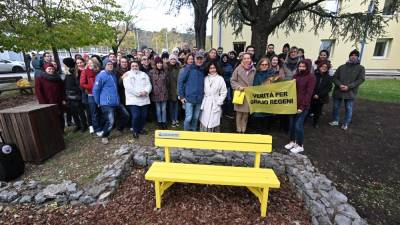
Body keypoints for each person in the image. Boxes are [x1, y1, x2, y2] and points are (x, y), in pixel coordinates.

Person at [284, 59, 316, 154]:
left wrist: (302, 107)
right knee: (292, 124)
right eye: (300, 66)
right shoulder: (295, 76)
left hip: (303, 106)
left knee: (298, 125)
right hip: (293, 104)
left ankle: (300, 145)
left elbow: (309, 93)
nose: (301, 68)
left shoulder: (311, 77)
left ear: (308, 67)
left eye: (304, 66)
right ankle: (292, 141)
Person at [329, 49, 365, 130]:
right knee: (336, 106)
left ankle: (345, 123)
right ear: (349, 56)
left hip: (350, 92)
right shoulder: (342, 67)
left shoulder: (361, 68)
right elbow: (335, 78)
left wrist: (349, 86)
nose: (353, 56)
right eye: (352, 55)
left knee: (348, 108)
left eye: (355, 55)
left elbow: (360, 79)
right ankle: (335, 120)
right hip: (338, 90)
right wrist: (340, 85)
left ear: (358, 57)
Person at [93, 61, 128, 144]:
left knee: (126, 115)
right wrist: (98, 101)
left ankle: (119, 129)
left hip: (116, 101)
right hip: (106, 103)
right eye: (108, 64)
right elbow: (96, 90)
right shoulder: (101, 75)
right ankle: (105, 135)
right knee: (110, 121)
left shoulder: (113, 75)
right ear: (104, 66)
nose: (110, 66)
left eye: (111, 64)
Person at [123, 61, 152, 138]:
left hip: (144, 99)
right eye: (133, 66)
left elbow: (149, 84)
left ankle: (141, 129)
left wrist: (146, 91)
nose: (134, 67)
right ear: (130, 67)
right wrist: (138, 93)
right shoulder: (127, 75)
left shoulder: (144, 74)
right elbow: (128, 87)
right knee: (136, 116)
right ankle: (135, 131)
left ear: (138, 66)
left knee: (143, 116)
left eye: (136, 66)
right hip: (133, 99)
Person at [178, 52, 205, 131]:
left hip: (199, 99)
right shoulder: (188, 68)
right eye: (198, 59)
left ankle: (193, 132)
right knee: (189, 117)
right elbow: (180, 82)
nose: (199, 61)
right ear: (195, 60)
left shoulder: (203, 70)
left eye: (201, 59)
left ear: (203, 60)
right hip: (189, 98)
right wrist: (182, 96)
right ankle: (186, 134)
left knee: (196, 117)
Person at [35, 64, 66, 132]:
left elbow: (62, 88)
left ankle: (61, 130)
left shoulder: (57, 77)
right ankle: (54, 131)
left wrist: (63, 98)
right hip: (48, 102)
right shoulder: (40, 78)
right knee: (51, 117)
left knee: (60, 115)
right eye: (49, 69)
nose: (51, 70)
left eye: (52, 69)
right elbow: (38, 92)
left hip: (58, 100)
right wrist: (43, 103)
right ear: (45, 70)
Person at [230, 53, 256, 133]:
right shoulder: (238, 69)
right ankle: (238, 129)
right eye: (245, 58)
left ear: (251, 59)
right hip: (240, 94)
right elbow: (232, 80)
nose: (246, 60)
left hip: (249, 94)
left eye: (248, 58)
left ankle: (243, 129)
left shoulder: (254, 70)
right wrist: (239, 87)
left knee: (246, 114)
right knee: (239, 113)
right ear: (242, 59)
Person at [199, 62, 227, 132]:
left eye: (214, 68)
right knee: (205, 120)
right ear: (208, 69)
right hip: (206, 102)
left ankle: (213, 136)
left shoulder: (220, 79)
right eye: (210, 68)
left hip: (215, 102)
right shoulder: (205, 78)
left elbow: (224, 92)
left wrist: (219, 101)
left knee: (213, 121)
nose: (212, 70)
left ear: (216, 69)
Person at [63, 58, 88, 133]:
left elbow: (79, 83)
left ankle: (84, 125)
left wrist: (76, 91)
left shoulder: (76, 72)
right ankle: (78, 125)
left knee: (80, 111)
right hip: (69, 95)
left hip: (76, 95)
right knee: (73, 112)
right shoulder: (68, 72)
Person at [80, 58, 102, 135]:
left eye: (92, 63)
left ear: (95, 63)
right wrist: (92, 87)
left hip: (100, 94)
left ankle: (101, 126)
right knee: (94, 112)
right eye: (88, 63)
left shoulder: (98, 71)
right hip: (91, 94)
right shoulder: (85, 71)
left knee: (100, 111)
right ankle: (97, 129)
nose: (90, 64)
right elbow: (82, 83)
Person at [252, 57, 275, 128]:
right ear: (259, 65)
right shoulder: (256, 74)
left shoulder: (271, 75)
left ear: (268, 65)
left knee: (266, 118)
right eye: (262, 64)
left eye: (266, 64)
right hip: (258, 100)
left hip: (268, 99)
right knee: (258, 118)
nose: (264, 66)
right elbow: (254, 86)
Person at [310, 61, 333, 128]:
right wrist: (314, 94)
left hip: (321, 97)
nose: (324, 68)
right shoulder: (314, 75)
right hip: (312, 95)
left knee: (318, 110)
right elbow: (311, 85)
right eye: (322, 66)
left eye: (326, 67)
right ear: (319, 67)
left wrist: (319, 95)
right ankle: (304, 120)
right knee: (310, 109)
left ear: (327, 69)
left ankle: (315, 122)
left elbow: (329, 88)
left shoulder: (328, 77)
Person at [149, 57, 169, 129]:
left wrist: (165, 90)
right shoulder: (151, 72)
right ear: (155, 64)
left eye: (160, 63)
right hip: (155, 93)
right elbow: (150, 83)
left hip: (164, 93)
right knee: (158, 109)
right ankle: (159, 122)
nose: (159, 64)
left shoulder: (165, 72)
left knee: (163, 109)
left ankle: (164, 122)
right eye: (158, 63)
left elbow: (167, 82)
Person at [165, 54, 180, 127]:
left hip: (176, 90)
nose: (173, 61)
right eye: (171, 59)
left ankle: (176, 118)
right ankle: (172, 120)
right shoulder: (166, 68)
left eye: (174, 59)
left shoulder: (178, 68)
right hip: (169, 90)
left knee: (176, 106)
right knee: (171, 106)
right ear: (169, 60)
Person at [220, 54, 234, 118]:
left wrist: (228, 80)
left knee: (228, 99)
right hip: (220, 85)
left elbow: (231, 75)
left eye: (226, 58)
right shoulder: (219, 65)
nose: (225, 59)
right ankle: (221, 112)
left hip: (227, 85)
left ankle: (227, 112)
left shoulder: (229, 66)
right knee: (221, 99)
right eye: (224, 58)